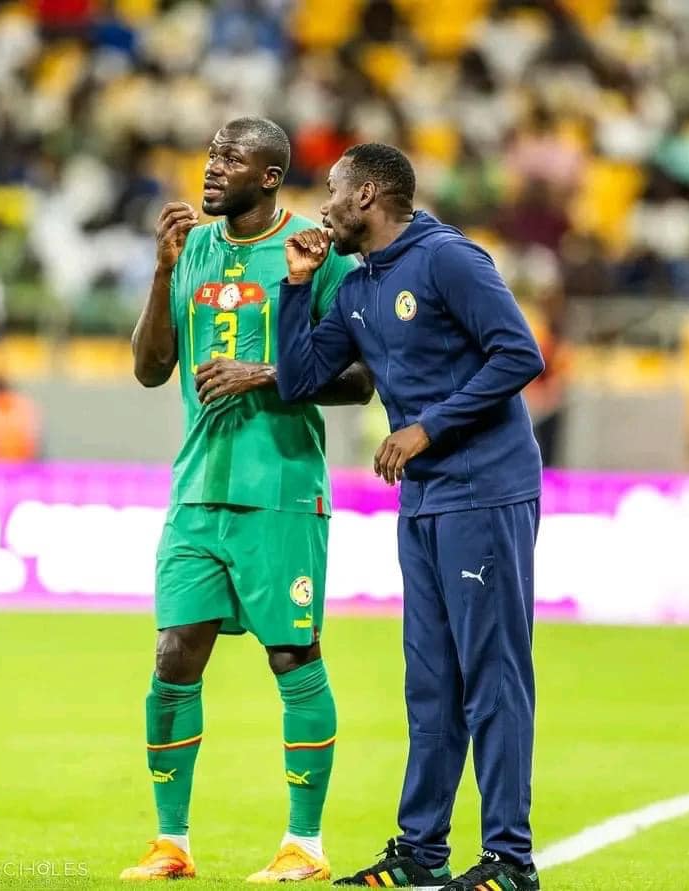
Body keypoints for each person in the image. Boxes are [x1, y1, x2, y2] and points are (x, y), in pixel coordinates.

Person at [275, 144, 545, 891]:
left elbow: (520, 354)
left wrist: (428, 425)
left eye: (332, 190)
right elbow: (299, 377)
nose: (322, 205)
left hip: (485, 489)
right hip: (424, 499)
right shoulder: (360, 287)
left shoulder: (449, 260)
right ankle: (422, 850)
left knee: (491, 677)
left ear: (366, 194)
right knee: (430, 681)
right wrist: (298, 287)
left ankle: (510, 861)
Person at [121, 117, 373, 883]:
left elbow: (359, 380)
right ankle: (172, 843)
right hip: (198, 489)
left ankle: (306, 843)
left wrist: (264, 372)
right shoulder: (193, 248)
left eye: (232, 157)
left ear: (269, 176)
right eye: (210, 153)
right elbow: (150, 368)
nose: (212, 166)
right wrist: (163, 273)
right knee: (173, 655)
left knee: (293, 653)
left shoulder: (312, 255)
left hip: (283, 489)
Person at [0, 375, 41, 461]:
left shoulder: (24, 407)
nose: (1, 399)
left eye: (3, 394)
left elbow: (31, 440)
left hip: (23, 461)